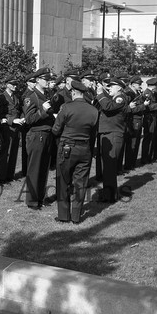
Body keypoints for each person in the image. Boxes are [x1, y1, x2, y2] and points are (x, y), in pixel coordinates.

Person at [52, 80, 98, 224]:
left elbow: (55, 129)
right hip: (85, 149)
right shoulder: (93, 110)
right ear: (84, 94)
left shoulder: (66, 107)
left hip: (67, 148)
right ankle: (76, 216)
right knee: (81, 183)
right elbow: (94, 132)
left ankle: (64, 215)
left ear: (73, 93)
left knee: (63, 181)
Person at [95, 77, 133, 203]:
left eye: (112, 86)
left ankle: (110, 196)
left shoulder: (119, 98)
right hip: (107, 133)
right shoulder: (113, 98)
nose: (109, 88)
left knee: (110, 166)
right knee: (107, 166)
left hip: (113, 134)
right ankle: (108, 193)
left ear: (119, 88)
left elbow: (107, 107)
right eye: (108, 86)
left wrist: (100, 93)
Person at [23, 67, 55, 209]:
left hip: (46, 135)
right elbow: (29, 119)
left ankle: (40, 198)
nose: (48, 81)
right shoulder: (31, 97)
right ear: (37, 80)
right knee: (35, 169)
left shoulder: (44, 95)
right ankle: (32, 201)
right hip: (37, 136)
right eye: (45, 79)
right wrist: (43, 111)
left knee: (43, 169)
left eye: (49, 79)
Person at [0, 75, 25, 184]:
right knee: (6, 152)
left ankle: (10, 175)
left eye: (16, 84)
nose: (15, 86)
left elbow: (19, 110)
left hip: (16, 128)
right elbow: (0, 115)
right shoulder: (1, 97)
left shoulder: (16, 97)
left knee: (14, 152)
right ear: (7, 84)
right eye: (13, 84)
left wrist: (22, 118)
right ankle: (2, 178)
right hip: (7, 128)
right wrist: (12, 120)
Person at [123, 75, 148, 170]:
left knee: (136, 142)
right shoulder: (128, 93)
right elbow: (130, 109)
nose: (140, 85)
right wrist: (143, 106)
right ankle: (129, 164)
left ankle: (132, 163)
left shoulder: (136, 92)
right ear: (133, 84)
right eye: (138, 84)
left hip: (137, 119)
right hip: (133, 120)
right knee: (132, 143)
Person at [21, 73, 36, 176]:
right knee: (26, 148)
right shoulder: (27, 94)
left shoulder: (34, 93)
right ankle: (25, 170)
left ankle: (29, 169)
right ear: (27, 83)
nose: (34, 84)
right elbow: (26, 111)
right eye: (32, 82)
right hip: (27, 124)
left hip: (31, 124)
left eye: (35, 81)